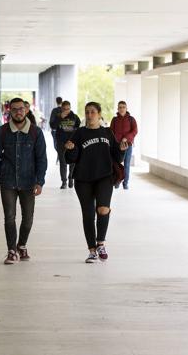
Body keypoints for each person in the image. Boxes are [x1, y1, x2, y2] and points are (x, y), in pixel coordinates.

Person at [64, 102, 128, 264]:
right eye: (87, 112)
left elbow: (117, 157)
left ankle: (100, 243)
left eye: (93, 112)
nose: (89, 115)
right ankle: (92, 251)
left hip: (104, 177)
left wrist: (121, 149)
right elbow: (70, 159)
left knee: (103, 209)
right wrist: (70, 149)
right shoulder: (79, 133)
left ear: (99, 114)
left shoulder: (107, 132)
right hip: (83, 179)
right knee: (88, 215)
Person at [0, 98, 47, 265]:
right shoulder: (2, 132)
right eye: (14, 109)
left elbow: (41, 159)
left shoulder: (36, 132)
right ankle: (11, 251)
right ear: (10, 112)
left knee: (28, 218)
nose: (18, 112)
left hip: (29, 181)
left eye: (21, 109)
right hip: (7, 181)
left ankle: (21, 245)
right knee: (9, 217)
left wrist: (40, 181)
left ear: (26, 110)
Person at [51, 101, 81, 189]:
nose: (66, 111)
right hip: (61, 142)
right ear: (61, 109)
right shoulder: (58, 116)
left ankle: (71, 178)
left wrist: (75, 140)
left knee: (72, 162)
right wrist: (59, 118)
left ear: (70, 108)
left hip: (72, 142)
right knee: (63, 162)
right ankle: (64, 181)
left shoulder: (75, 117)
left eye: (68, 109)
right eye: (64, 109)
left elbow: (79, 128)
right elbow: (53, 126)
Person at [110, 101, 138, 190]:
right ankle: (117, 180)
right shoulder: (114, 119)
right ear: (118, 109)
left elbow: (135, 131)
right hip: (117, 146)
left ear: (126, 108)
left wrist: (126, 138)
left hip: (128, 145)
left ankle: (125, 183)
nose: (122, 109)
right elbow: (111, 132)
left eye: (123, 107)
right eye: (120, 107)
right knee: (117, 164)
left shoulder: (131, 119)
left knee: (126, 164)